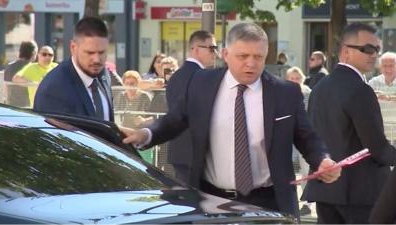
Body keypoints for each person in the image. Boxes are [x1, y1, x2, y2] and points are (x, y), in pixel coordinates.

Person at [119, 22, 341, 220]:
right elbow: (175, 119)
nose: (251, 64)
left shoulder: (285, 93)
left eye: (258, 57)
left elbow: (306, 136)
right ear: (225, 54)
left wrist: (322, 159)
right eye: (243, 56)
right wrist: (146, 134)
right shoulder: (201, 83)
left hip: (269, 201)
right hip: (212, 200)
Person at [302, 23, 396, 224]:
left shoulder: (319, 87)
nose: (374, 55)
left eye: (377, 50)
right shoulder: (361, 89)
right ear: (345, 51)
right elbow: (377, 148)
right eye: (367, 49)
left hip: (326, 191)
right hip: (361, 194)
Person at [33, 17, 114, 121]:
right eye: (90, 53)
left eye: (102, 52)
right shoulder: (54, 89)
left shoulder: (103, 74)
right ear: (73, 47)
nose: (97, 60)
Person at [165, 30, 217, 184]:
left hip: (179, 151)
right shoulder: (203, 77)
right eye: (211, 48)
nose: (215, 53)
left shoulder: (176, 77)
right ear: (195, 49)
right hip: (198, 153)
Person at [285, 66, 312, 215]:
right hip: (286, 136)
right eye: (292, 78)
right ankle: (291, 201)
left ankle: (307, 203)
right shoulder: (282, 93)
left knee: (305, 170)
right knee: (289, 170)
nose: (295, 81)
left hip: (303, 136)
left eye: (297, 78)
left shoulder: (308, 93)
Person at [3, 41, 37, 107]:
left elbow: (5, 90)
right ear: (34, 53)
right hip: (28, 108)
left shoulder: (9, 67)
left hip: (10, 106)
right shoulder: (32, 68)